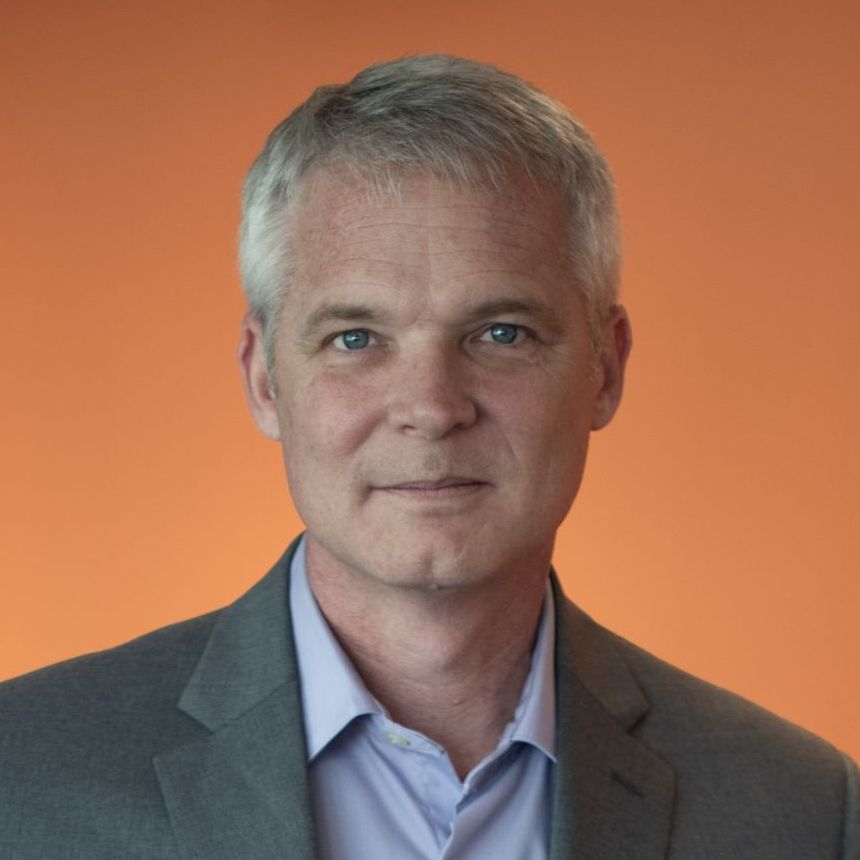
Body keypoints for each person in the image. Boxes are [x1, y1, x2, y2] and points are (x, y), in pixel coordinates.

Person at [0, 54, 857, 860]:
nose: (433, 409)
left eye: (500, 332)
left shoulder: (799, 810)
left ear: (605, 368)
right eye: (355, 337)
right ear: (266, 379)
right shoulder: (25, 774)